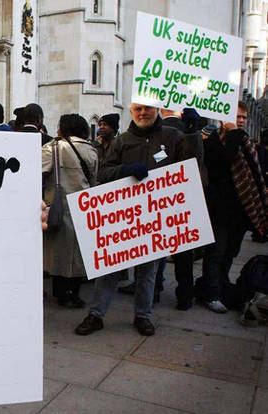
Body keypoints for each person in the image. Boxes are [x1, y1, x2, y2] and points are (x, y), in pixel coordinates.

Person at [75, 103, 184, 337]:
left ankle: (143, 316)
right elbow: (103, 173)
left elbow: (190, 168)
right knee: (109, 270)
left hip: (156, 215)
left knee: (148, 271)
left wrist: (194, 134)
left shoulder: (173, 137)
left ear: (157, 109)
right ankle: (96, 315)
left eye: (147, 108)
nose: (142, 113)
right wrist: (126, 170)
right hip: (123, 217)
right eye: (137, 109)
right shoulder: (122, 140)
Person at [195, 101, 268, 312]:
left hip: (241, 211)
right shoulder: (212, 141)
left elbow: (255, 174)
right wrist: (234, 134)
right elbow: (223, 161)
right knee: (216, 252)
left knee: (230, 253)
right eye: (237, 117)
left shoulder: (247, 143)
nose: (241, 121)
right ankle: (212, 293)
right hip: (220, 210)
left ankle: (221, 286)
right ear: (223, 118)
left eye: (243, 118)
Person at [43, 114, 98, 307]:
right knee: (78, 254)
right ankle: (74, 293)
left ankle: (60, 293)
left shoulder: (54, 148)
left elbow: (35, 170)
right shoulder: (91, 150)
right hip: (84, 207)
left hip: (60, 206)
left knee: (58, 252)